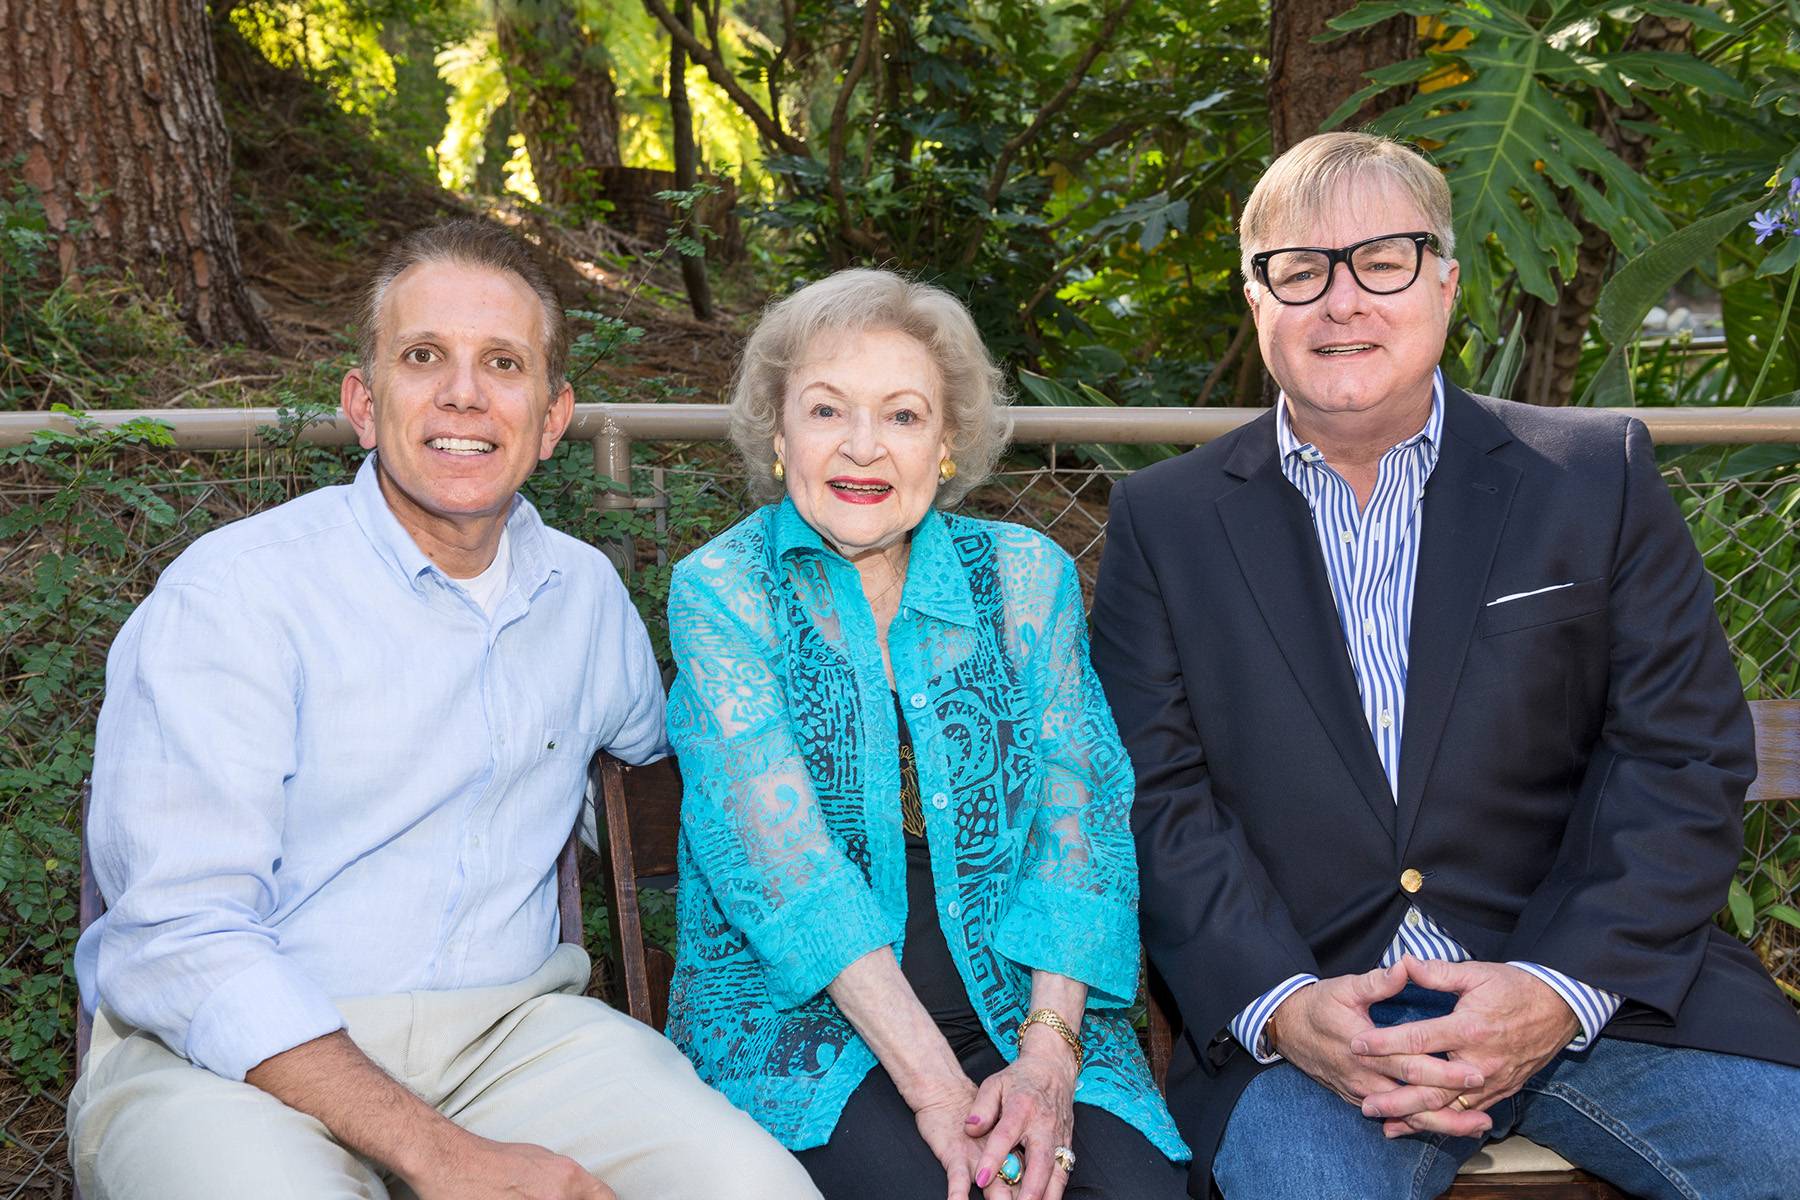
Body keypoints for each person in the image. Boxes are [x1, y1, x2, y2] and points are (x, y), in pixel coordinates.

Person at [1090, 131, 1800, 1200]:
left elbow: (1682, 754)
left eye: (1384, 261)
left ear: (1446, 284)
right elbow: (1157, 796)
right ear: (1256, 299)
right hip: (1325, 1026)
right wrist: (1286, 1008)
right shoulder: (1166, 521)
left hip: (1603, 996)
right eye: (1300, 269)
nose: (1343, 302)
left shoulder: (1592, 478)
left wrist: (1557, 991)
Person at [69, 219, 820, 1200]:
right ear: (363, 402)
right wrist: (440, 1154)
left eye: (503, 363)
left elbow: (662, 799)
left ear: (551, 418)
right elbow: (180, 940)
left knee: (750, 1187)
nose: (463, 392)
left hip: (515, 1037)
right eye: (423, 356)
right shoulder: (233, 599)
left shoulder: (585, 597)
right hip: (226, 1057)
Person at [663, 268, 1190, 1200]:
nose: (863, 446)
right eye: (827, 410)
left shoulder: (1026, 578)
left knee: (1135, 1191)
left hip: (1021, 1009)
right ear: (780, 433)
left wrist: (1046, 1061)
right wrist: (941, 1094)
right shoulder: (724, 592)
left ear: (945, 444)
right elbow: (787, 871)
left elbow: (1080, 824)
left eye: (903, 416)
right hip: (810, 1021)